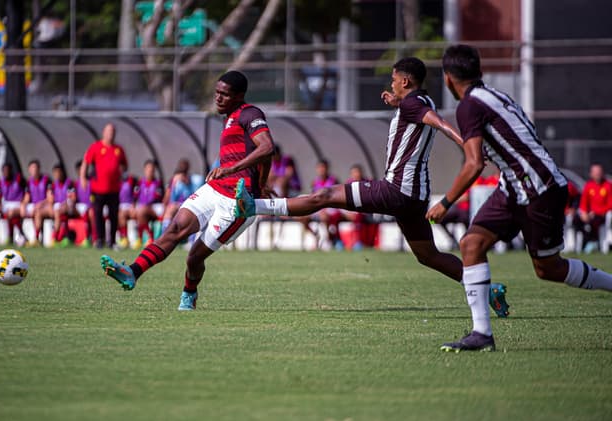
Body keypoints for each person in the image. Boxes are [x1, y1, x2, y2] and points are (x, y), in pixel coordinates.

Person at [235, 57, 509, 317]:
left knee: (324, 195)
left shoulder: (414, 104)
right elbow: (418, 114)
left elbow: (439, 123)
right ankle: (488, 290)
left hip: (396, 190)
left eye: (393, 80)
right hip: (415, 196)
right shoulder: (419, 101)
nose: (390, 85)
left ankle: (255, 206)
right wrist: (396, 103)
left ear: (404, 81)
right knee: (428, 255)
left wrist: (469, 146)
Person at [425, 44, 612, 352]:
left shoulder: (469, 105)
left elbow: (474, 163)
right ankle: (481, 334)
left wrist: (445, 203)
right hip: (515, 187)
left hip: (539, 189)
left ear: (447, 78)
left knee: (548, 269)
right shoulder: (496, 96)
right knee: (471, 244)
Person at [100, 70, 275, 311]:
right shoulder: (229, 117)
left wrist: (248, 180)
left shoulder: (250, 114)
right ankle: (132, 271)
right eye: (217, 93)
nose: (218, 98)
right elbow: (261, 157)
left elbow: (267, 148)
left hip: (237, 203)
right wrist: (262, 181)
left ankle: (189, 294)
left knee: (194, 256)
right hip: (214, 189)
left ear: (239, 96)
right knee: (174, 229)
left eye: (225, 94)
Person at [80, 123, 128, 249]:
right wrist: (83, 178)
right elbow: (86, 162)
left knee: (113, 215)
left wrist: (120, 172)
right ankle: (99, 240)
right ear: (104, 133)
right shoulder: (95, 147)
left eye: (113, 131)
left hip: (114, 189)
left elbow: (124, 165)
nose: (111, 134)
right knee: (97, 214)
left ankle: (112, 241)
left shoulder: (119, 149)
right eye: (109, 131)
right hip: (98, 189)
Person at [33, 164, 74, 247]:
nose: (57, 175)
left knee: (57, 211)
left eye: (58, 172)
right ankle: (37, 239)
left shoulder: (69, 183)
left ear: (62, 173)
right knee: (38, 212)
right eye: (55, 173)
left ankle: (55, 238)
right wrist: (46, 205)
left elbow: (72, 198)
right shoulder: (52, 185)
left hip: (66, 205)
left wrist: (64, 204)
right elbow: (50, 198)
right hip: (55, 206)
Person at [161, 158, 204, 234]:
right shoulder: (178, 183)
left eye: (184, 174)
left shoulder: (197, 180)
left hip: (194, 205)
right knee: (170, 209)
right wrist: (173, 185)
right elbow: (172, 200)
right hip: (181, 205)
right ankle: (165, 234)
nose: (183, 177)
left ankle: (192, 238)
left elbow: (199, 197)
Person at [0, 163, 26, 244]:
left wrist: (23, 203)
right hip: (6, 203)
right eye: (4, 171)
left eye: (7, 170)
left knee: (10, 213)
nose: (6, 172)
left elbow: (26, 191)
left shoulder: (18, 178)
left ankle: (16, 235)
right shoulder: (1, 181)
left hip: (18, 203)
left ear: (11, 171)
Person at [576, 163, 612, 253]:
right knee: (576, 220)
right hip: (590, 215)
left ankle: (600, 245)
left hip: (602, 215)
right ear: (591, 174)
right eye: (595, 172)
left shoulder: (608, 185)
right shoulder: (589, 186)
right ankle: (579, 246)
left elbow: (610, 205)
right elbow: (583, 203)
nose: (597, 174)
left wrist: (596, 212)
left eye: (599, 172)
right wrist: (584, 213)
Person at [132, 159, 164, 249]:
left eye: (152, 170)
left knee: (142, 211)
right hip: (142, 208)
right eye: (148, 169)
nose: (150, 172)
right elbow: (135, 196)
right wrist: (133, 206)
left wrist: (145, 206)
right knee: (122, 213)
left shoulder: (158, 183)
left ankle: (145, 238)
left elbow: (157, 198)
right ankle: (124, 239)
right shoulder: (139, 183)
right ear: (144, 170)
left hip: (155, 208)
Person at [21, 160, 51, 246]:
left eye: (35, 168)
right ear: (29, 170)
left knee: (37, 213)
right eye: (31, 168)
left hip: (45, 205)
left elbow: (50, 198)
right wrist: (23, 205)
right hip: (34, 205)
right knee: (20, 211)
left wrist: (40, 204)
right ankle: (22, 236)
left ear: (39, 169)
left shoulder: (46, 180)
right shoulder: (29, 182)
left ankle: (37, 238)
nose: (33, 170)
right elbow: (27, 198)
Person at [68, 160, 97, 248]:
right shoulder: (75, 183)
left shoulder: (92, 182)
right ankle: (64, 238)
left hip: (91, 206)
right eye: (79, 169)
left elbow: (95, 196)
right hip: (79, 206)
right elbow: (72, 197)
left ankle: (94, 239)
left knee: (91, 213)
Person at [116, 173, 138, 249]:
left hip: (130, 205)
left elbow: (136, 191)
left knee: (133, 214)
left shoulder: (131, 180)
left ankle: (137, 239)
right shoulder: (115, 181)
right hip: (119, 205)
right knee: (119, 215)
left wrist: (134, 204)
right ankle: (124, 238)